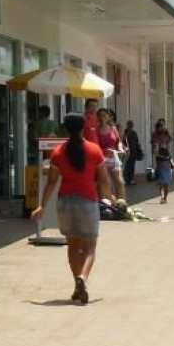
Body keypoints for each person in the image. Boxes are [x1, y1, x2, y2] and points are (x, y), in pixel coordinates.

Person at [31, 113, 113, 305]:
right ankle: (82, 279)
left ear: (65, 129)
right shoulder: (94, 150)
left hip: (65, 203)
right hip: (88, 202)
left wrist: (42, 206)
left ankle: (77, 285)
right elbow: (103, 180)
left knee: (74, 247)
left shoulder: (58, 152)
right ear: (84, 127)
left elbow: (51, 182)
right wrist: (111, 198)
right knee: (90, 247)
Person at [97, 108, 125, 200]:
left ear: (108, 117)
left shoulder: (113, 129)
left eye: (104, 115)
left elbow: (118, 141)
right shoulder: (96, 130)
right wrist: (104, 151)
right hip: (102, 158)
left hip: (114, 157)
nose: (102, 117)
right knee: (105, 183)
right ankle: (107, 204)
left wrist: (120, 148)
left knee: (120, 182)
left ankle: (122, 205)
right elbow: (94, 145)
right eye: (100, 115)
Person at [122, 120, 142, 186]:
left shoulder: (134, 133)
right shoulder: (124, 133)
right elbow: (123, 142)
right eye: (129, 124)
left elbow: (137, 142)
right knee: (127, 166)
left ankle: (131, 179)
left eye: (132, 125)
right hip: (126, 152)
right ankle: (126, 179)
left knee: (132, 166)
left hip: (133, 152)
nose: (131, 126)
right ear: (127, 125)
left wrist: (138, 149)